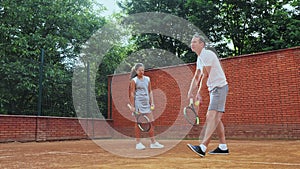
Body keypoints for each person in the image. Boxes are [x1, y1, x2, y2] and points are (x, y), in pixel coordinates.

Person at [187, 34, 229, 157]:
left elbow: (205, 75)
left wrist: (199, 92)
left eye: (195, 41)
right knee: (216, 119)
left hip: (219, 88)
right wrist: (190, 91)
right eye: (191, 42)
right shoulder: (200, 58)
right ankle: (223, 146)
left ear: (202, 44)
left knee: (210, 116)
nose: (192, 44)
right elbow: (196, 76)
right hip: (214, 89)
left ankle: (203, 147)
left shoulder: (208, 55)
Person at [129, 63, 164, 150]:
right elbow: (132, 93)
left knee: (150, 122)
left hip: (146, 104)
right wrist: (133, 106)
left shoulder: (148, 79)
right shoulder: (134, 80)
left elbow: (150, 91)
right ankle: (138, 143)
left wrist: (152, 102)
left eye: (143, 70)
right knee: (138, 123)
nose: (142, 72)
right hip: (138, 104)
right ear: (136, 71)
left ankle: (153, 143)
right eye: (140, 70)